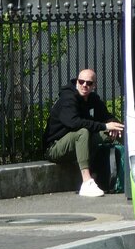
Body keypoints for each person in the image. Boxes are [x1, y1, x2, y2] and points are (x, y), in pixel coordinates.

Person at [43, 68, 124, 197]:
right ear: (76, 83)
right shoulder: (68, 99)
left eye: (89, 83)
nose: (84, 85)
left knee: (115, 131)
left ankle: (132, 171)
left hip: (78, 145)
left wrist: (113, 125)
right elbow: (73, 123)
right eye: (81, 82)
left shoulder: (93, 99)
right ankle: (86, 182)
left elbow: (106, 116)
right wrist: (104, 126)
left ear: (94, 86)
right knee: (83, 132)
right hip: (55, 148)